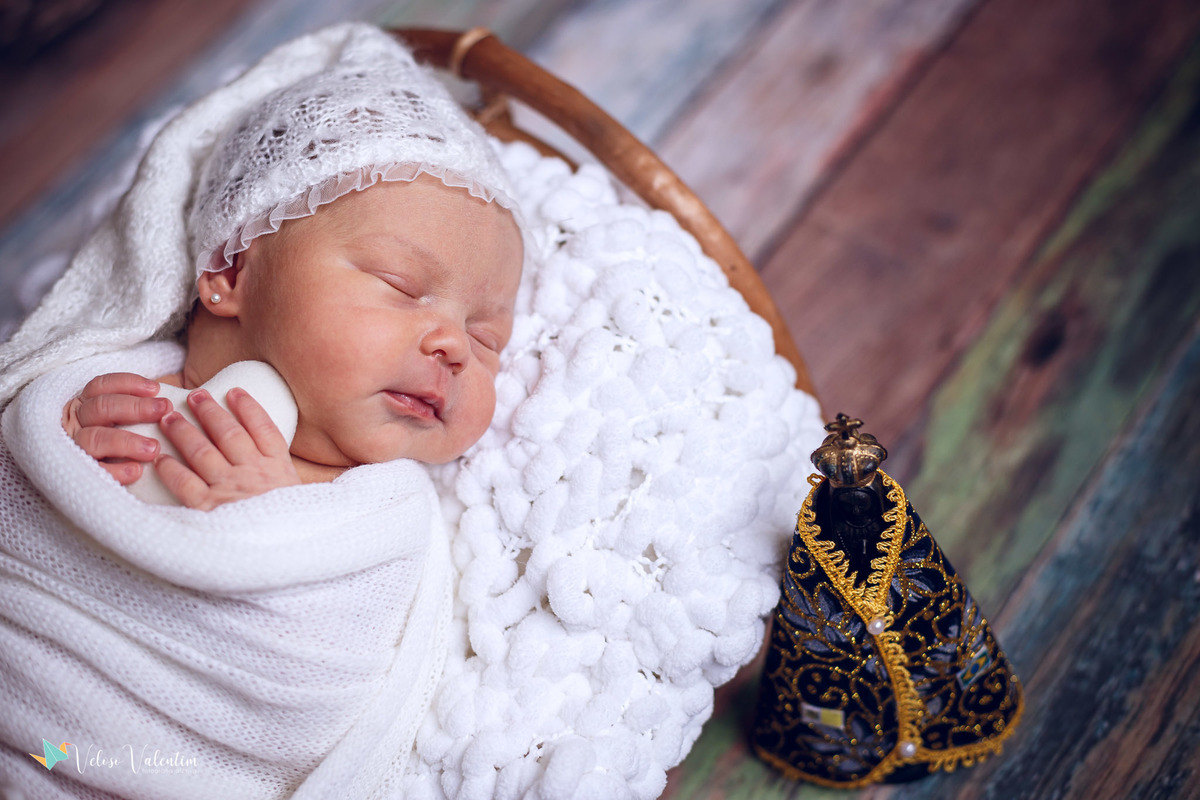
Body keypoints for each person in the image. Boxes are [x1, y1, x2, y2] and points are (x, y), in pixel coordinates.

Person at [0, 23, 523, 798]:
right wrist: (53, 447)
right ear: (229, 270)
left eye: (489, 341)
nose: (452, 344)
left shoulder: (374, 519)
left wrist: (263, 527)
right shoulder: (103, 385)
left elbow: (314, 691)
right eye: (401, 285)